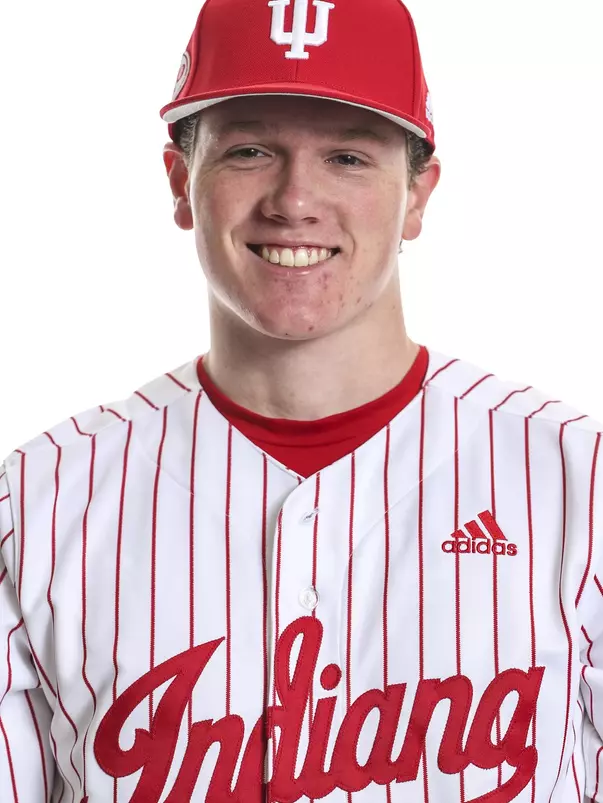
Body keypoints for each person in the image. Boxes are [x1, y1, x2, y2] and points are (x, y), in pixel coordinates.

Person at [1, 0, 601, 800]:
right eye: (249, 150)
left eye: (348, 158)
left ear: (417, 194)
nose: (293, 199)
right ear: (182, 184)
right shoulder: (36, 503)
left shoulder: (577, 486)